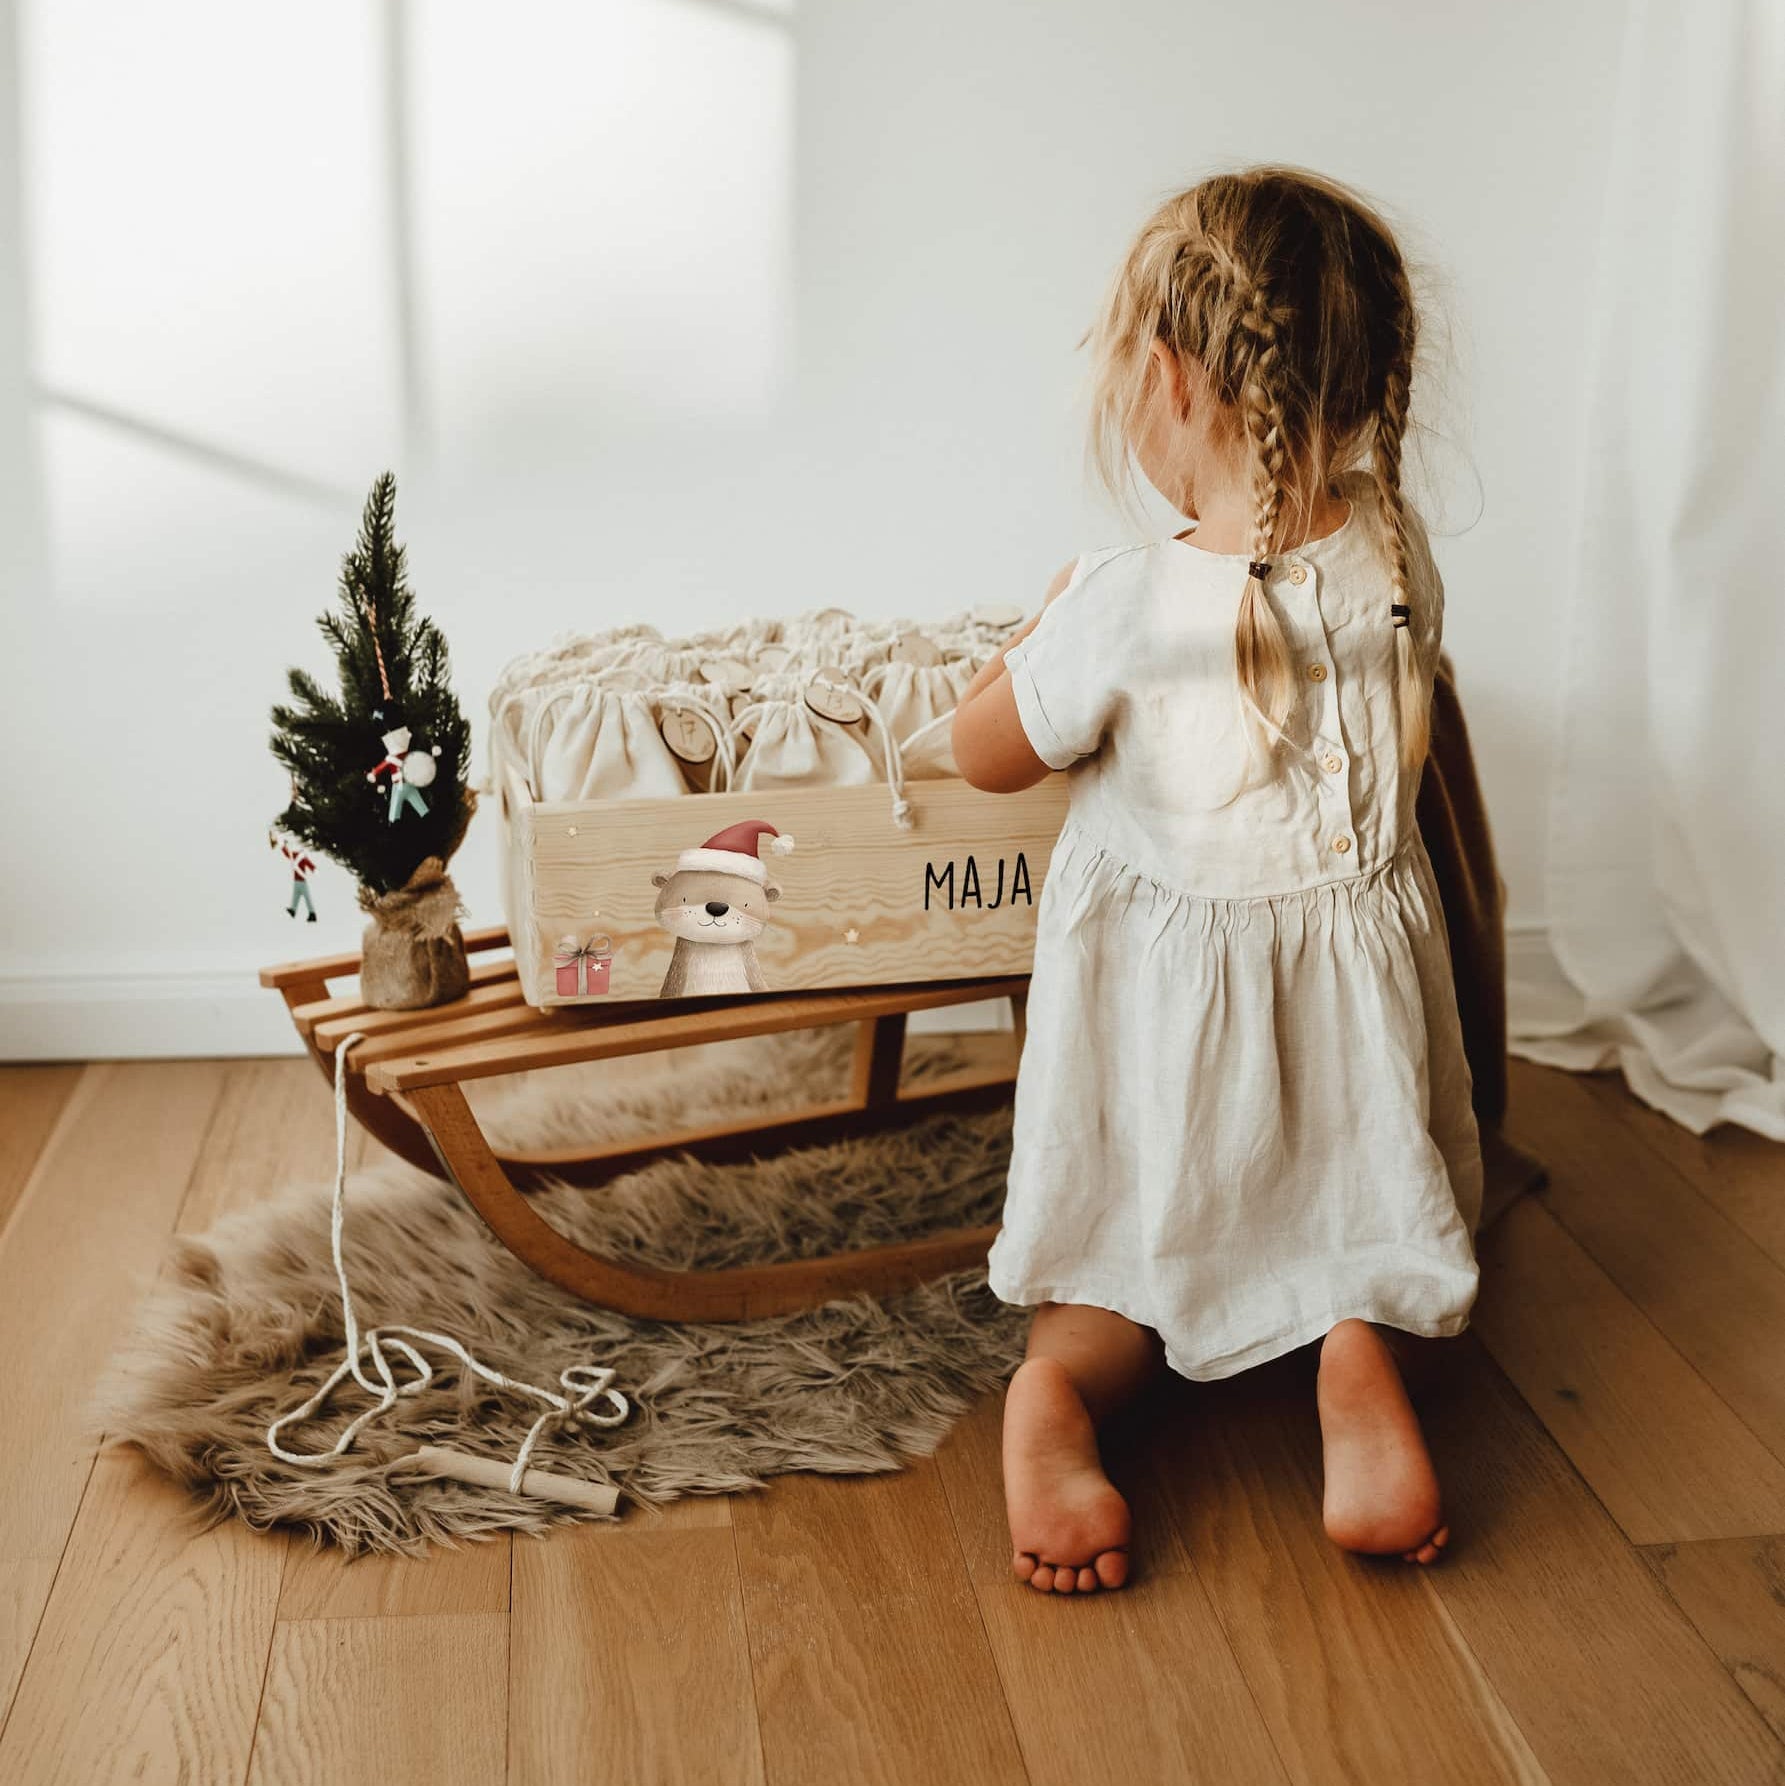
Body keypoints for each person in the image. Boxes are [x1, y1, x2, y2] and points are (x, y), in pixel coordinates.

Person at [951, 166, 1482, 1596]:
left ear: (1171, 379)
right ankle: (1355, 1352)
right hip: (1346, 1030)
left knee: (1104, 1279)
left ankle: (1057, 1398)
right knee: (1353, 1239)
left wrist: (1036, 631)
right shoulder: (1389, 555)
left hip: (1162, 1047)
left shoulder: (1124, 600)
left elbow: (983, 753)